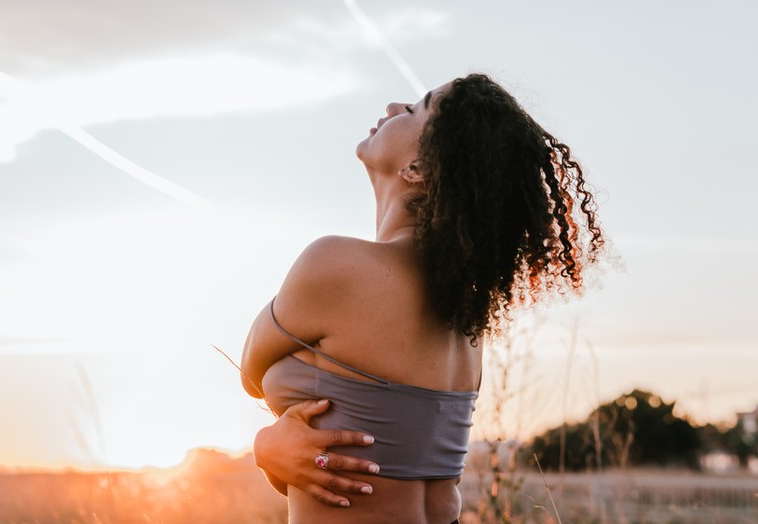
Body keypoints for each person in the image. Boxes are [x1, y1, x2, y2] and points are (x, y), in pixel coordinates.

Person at [239, 73, 604, 524]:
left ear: (419, 169)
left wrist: (266, 445)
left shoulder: (335, 266)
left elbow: (250, 371)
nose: (393, 107)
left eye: (414, 109)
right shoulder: (465, 314)